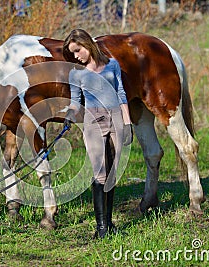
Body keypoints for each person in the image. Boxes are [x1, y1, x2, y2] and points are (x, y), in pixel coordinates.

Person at [62, 29, 133, 238]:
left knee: (111, 173)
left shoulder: (112, 65)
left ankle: (109, 224)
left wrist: (127, 123)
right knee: (99, 173)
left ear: (87, 44)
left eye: (77, 50)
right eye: (72, 53)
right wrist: (69, 115)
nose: (76, 56)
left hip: (116, 119)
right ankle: (101, 227)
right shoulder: (77, 73)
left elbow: (121, 93)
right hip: (93, 122)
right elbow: (76, 101)